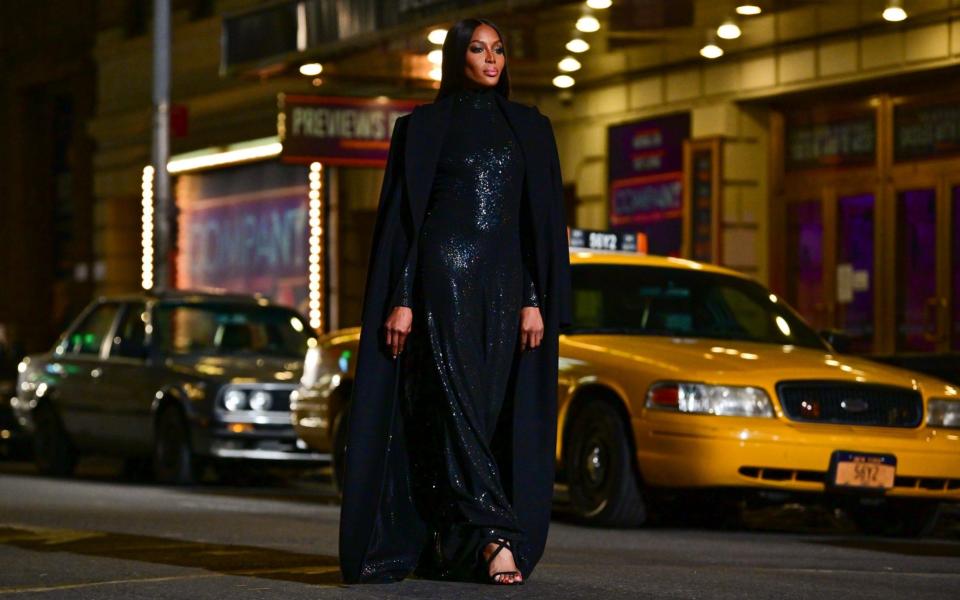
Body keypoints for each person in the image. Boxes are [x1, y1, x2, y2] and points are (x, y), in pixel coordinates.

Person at [338, 17, 572, 586]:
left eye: (498, 49)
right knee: (456, 405)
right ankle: (497, 537)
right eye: (478, 49)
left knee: (487, 412)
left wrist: (535, 298)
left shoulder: (531, 128)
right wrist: (402, 299)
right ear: (456, 57)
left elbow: (534, 226)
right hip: (441, 281)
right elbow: (407, 223)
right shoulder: (422, 128)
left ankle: (454, 540)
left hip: (507, 288)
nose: (491, 59)